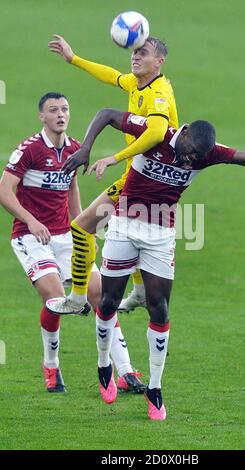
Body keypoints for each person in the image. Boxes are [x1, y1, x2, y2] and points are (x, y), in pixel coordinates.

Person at [46, 107, 245, 419]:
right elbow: (107, 114)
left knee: (160, 309)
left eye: (196, 158)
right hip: (123, 225)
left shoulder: (207, 152)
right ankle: (103, 365)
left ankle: (155, 388)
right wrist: (86, 148)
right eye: (189, 152)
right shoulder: (156, 135)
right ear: (185, 131)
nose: (190, 160)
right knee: (108, 302)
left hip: (161, 234)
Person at [0, 94, 145, 394]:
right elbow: (4, 191)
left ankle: (126, 371)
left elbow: (71, 187)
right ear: (41, 116)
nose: (60, 115)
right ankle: (51, 366)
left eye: (65, 109)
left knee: (100, 295)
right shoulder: (29, 150)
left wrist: (82, 227)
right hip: (30, 236)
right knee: (55, 299)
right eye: (53, 110)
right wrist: (31, 220)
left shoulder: (76, 149)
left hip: (65, 236)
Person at [47, 34, 178, 313]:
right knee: (125, 234)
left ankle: (78, 298)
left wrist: (114, 158)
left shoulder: (159, 93)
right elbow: (112, 76)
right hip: (141, 178)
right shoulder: (138, 83)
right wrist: (74, 59)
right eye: (134, 52)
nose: (135, 56)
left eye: (143, 52)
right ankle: (141, 291)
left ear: (159, 62)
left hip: (144, 182)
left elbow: (156, 133)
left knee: (81, 227)